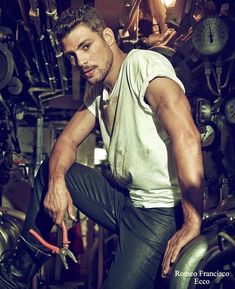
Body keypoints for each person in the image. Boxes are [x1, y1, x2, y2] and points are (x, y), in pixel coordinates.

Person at [0, 5, 204, 289]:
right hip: (127, 201)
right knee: (52, 171)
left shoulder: (143, 66)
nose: (80, 61)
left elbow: (187, 135)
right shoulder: (98, 90)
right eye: (72, 55)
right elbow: (67, 141)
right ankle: (18, 272)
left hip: (159, 211)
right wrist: (57, 182)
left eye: (86, 46)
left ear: (107, 36)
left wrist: (193, 221)